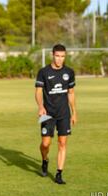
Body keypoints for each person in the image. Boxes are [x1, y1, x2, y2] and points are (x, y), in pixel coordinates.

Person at [35, 44, 77, 184]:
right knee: (45, 144)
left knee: (62, 143)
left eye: (62, 56)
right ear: (52, 55)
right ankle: (45, 160)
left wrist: (74, 112)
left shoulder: (69, 72)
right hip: (46, 113)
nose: (60, 59)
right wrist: (40, 107)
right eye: (57, 56)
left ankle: (59, 173)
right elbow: (38, 91)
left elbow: (71, 93)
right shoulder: (43, 72)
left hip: (64, 113)